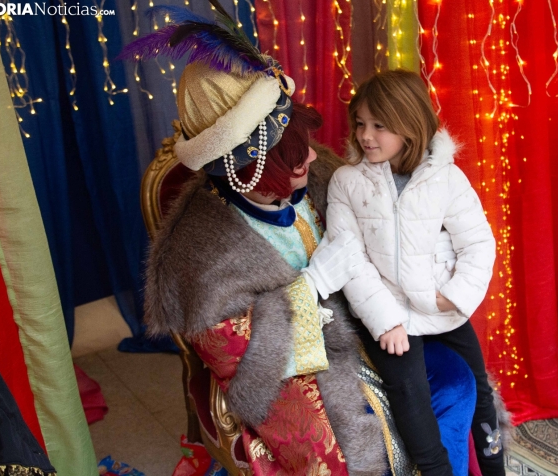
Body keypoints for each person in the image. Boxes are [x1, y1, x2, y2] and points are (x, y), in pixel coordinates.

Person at [127, 5, 477, 476]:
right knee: (342, 457)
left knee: (458, 380)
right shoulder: (200, 256)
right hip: (299, 377)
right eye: (292, 154)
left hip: (370, 325)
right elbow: (247, 372)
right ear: (249, 168)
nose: (314, 154)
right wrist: (309, 289)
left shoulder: (328, 176)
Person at [326, 69, 504, 476]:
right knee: (410, 392)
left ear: (409, 126)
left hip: (439, 305)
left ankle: (496, 470)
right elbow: (350, 259)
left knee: (480, 390)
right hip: (389, 314)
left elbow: (478, 242)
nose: (365, 135)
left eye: (379, 126)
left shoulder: (446, 178)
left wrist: (454, 295)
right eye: (360, 124)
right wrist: (385, 322)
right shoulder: (347, 182)